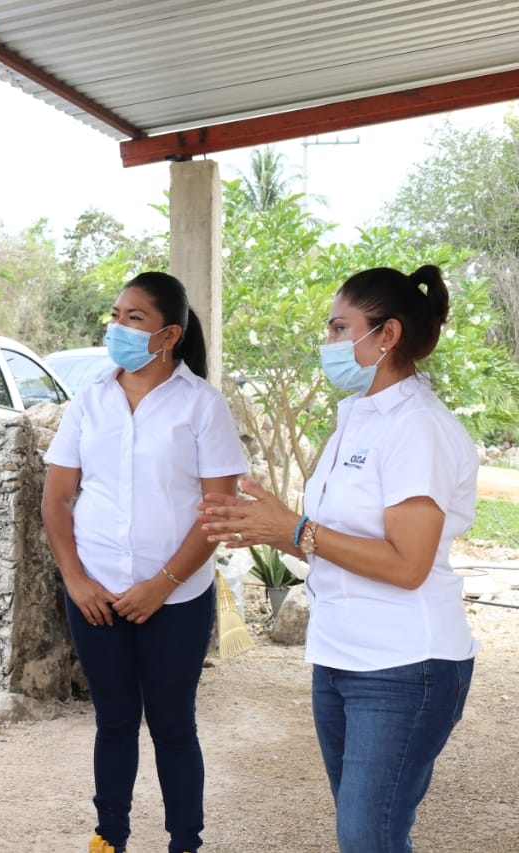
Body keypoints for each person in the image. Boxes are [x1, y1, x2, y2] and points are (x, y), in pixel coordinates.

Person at [198, 264, 477, 853]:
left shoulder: (417, 427)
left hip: (405, 664)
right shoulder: (356, 416)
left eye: (337, 328)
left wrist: (298, 528)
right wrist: (272, 530)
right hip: (340, 656)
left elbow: (408, 565)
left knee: (368, 839)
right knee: (369, 835)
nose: (326, 344)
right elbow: (329, 538)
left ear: (387, 335)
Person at [41, 272, 245, 853]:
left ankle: (186, 842)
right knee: (114, 723)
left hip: (176, 600)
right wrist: (76, 580)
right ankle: (110, 839)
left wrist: (162, 585)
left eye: (134, 318)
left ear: (169, 334)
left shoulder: (203, 406)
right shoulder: (89, 402)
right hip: (95, 597)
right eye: (115, 315)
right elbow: (56, 499)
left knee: (174, 727)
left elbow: (218, 511)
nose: (117, 328)